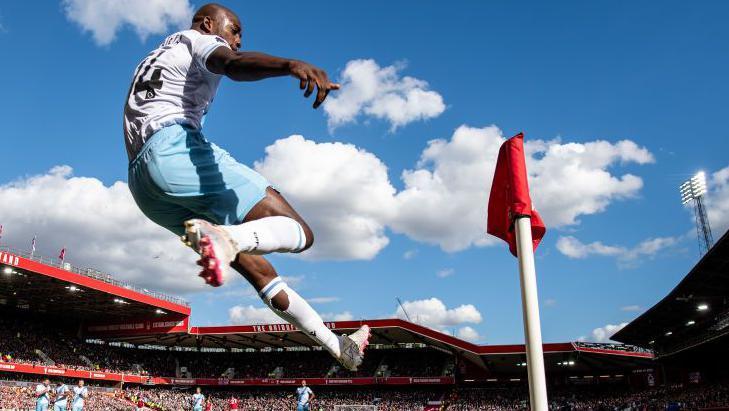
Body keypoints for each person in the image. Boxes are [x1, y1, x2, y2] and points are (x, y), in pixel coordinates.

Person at [123, 3, 369, 371]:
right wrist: (289, 65)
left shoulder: (155, 56)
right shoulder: (197, 41)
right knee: (301, 232)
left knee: (260, 271)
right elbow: (232, 64)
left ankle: (338, 347)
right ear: (208, 24)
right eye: (234, 29)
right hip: (173, 152)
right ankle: (228, 238)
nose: (237, 40)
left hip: (144, 186)